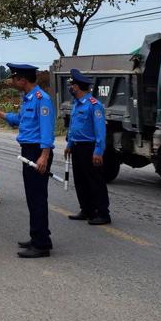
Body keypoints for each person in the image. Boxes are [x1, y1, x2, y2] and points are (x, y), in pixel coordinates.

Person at [0, 63, 56, 258]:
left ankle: (41, 245)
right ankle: (39, 236)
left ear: (23, 80)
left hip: (37, 153)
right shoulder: (28, 99)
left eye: (14, 78)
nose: (12, 82)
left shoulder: (42, 100)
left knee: (38, 198)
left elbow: (48, 131)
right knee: (32, 198)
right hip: (28, 151)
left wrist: (44, 156)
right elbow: (20, 120)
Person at [64, 68, 111, 225]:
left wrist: (98, 151)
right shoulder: (77, 104)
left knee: (95, 181)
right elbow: (73, 126)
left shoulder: (94, 105)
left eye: (71, 85)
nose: (70, 87)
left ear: (77, 87)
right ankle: (87, 210)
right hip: (77, 147)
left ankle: (103, 213)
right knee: (80, 180)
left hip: (89, 148)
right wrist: (69, 144)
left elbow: (100, 131)